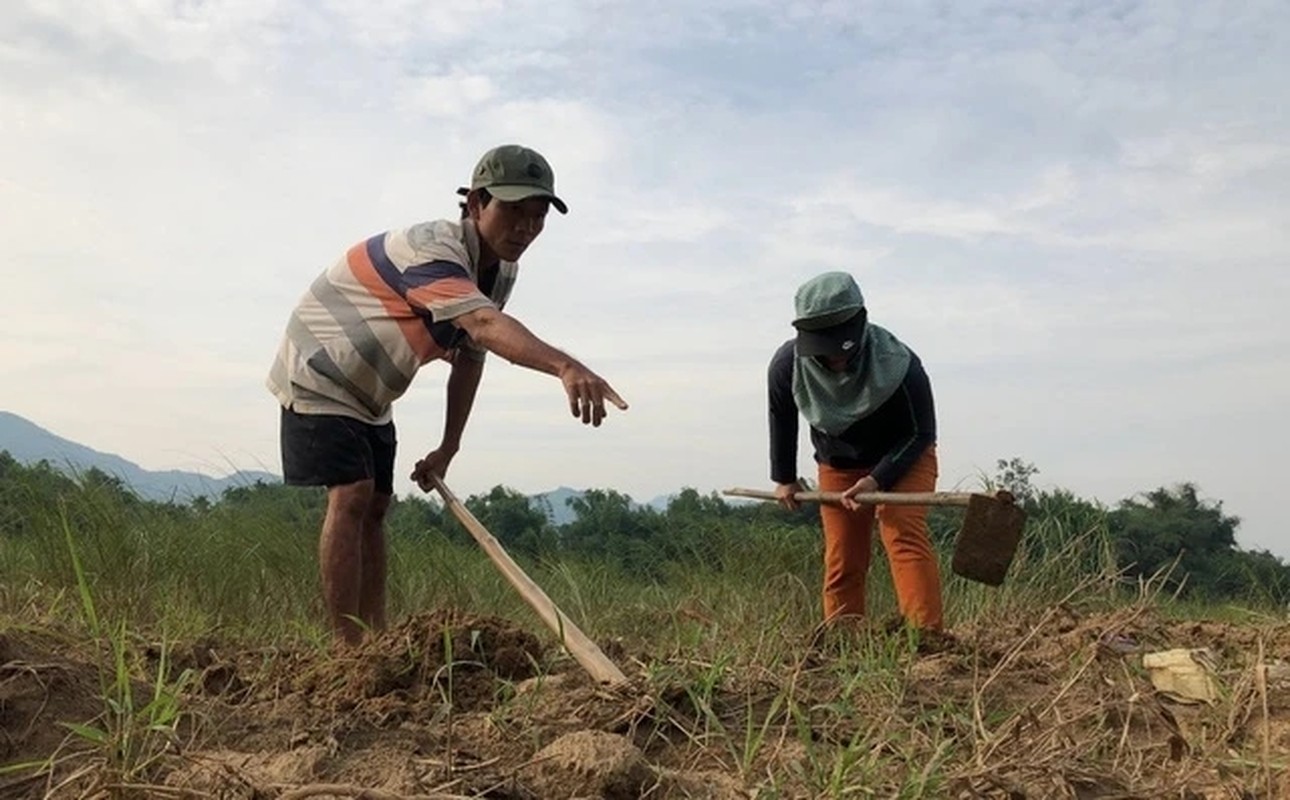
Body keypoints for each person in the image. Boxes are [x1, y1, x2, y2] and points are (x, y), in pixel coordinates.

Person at [267, 144, 628, 645]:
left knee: (376, 506)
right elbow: (482, 325)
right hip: (320, 370)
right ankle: (345, 651)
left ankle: (375, 639)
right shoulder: (433, 249)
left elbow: (471, 355)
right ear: (477, 203)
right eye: (513, 211)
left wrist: (448, 447)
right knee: (350, 496)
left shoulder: (499, 269)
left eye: (537, 216)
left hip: (372, 393)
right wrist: (564, 365)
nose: (526, 227)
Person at [767, 271, 942, 633]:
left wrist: (878, 479)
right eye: (825, 352)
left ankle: (926, 639)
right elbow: (782, 417)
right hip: (839, 463)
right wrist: (784, 478)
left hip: (902, 457)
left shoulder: (901, 365)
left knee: (901, 531)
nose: (836, 362)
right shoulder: (788, 366)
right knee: (843, 552)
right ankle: (844, 640)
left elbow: (921, 433)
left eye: (842, 351)